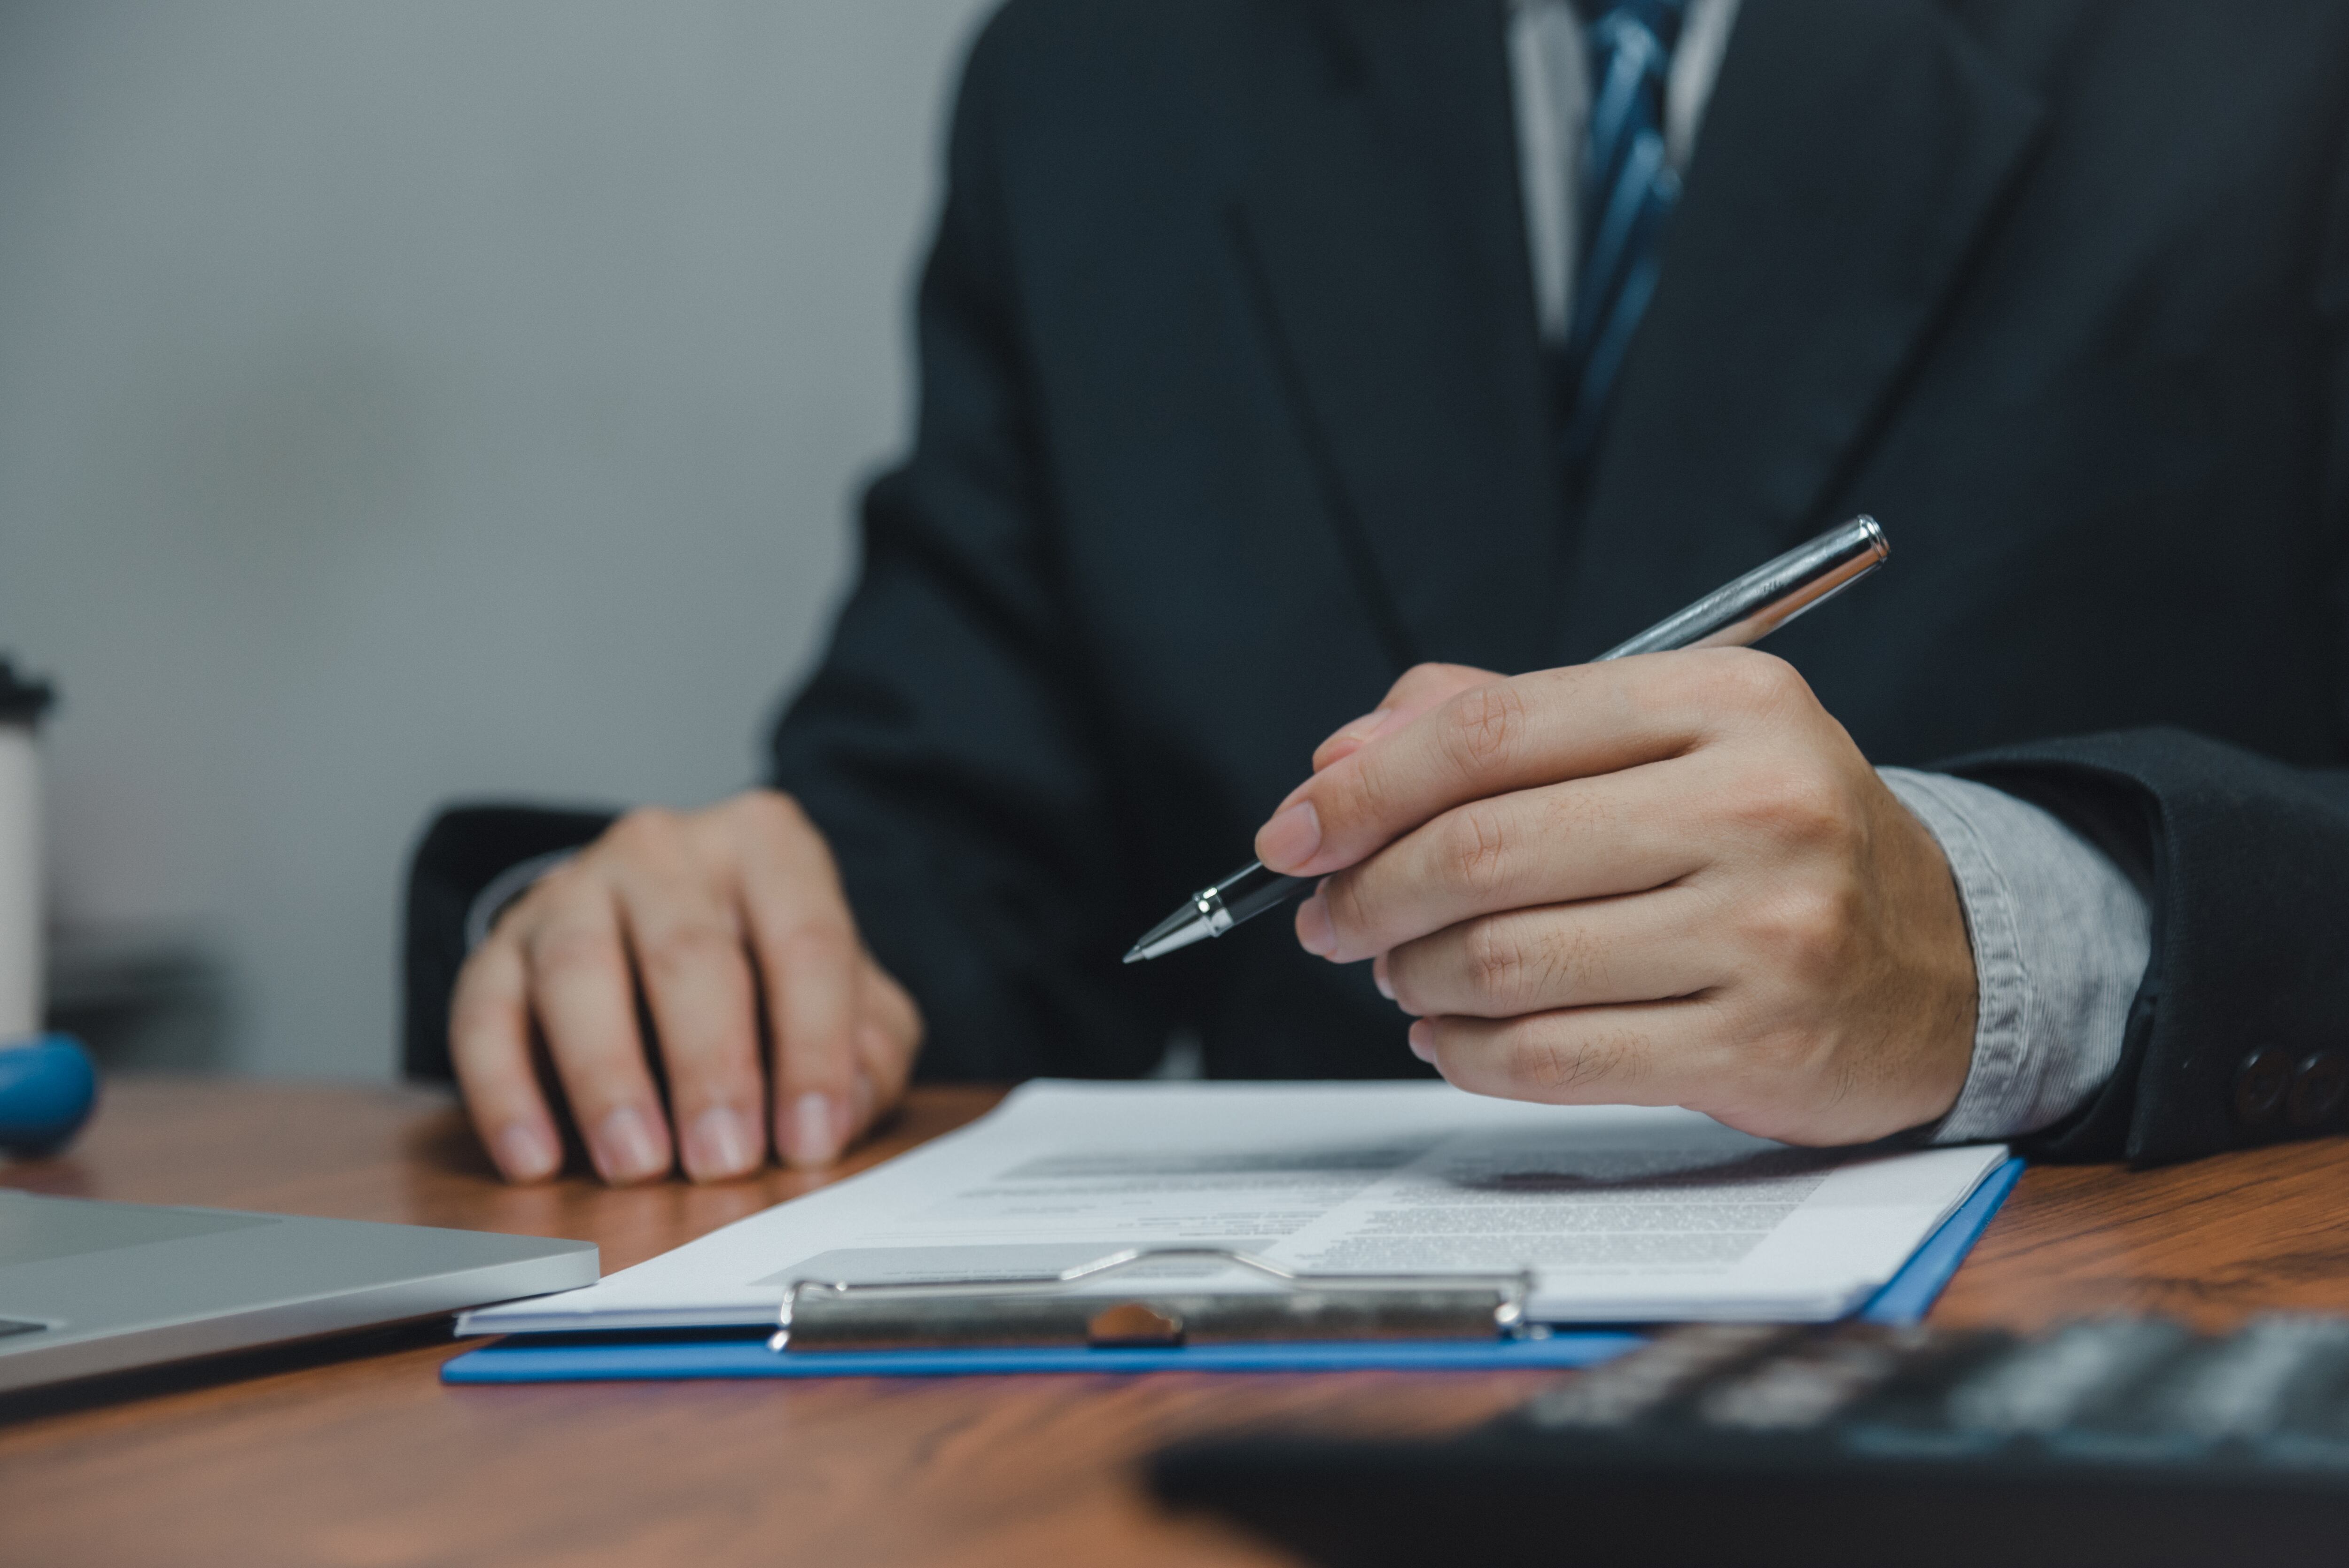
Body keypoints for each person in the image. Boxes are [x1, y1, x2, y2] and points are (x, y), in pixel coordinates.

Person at [404, 0, 2349, 1186]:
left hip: (2051, 1401)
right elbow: (943, 850)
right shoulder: (1098, 75)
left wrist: (2009, 949)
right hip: (1241, 1412)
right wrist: (685, 953)